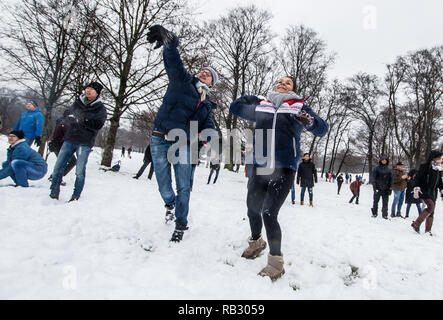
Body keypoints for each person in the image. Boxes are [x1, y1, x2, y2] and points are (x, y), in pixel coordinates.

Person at [230, 75, 328, 281]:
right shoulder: (262, 105)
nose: (282, 84)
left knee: (268, 213)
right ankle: (256, 242)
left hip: (284, 167)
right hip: (260, 165)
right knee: (252, 209)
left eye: (288, 83)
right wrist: (253, 97)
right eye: (280, 81)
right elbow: (235, 107)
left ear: (293, 89)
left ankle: (276, 263)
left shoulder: (298, 107)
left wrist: (309, 122)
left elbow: (322, 129)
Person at [147, 25, 219, 242]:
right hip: (159, 137)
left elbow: (210, 130)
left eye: (209, 75)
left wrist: (215, 155)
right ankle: (169, 203)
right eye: (203, 71)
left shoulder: (207, 105)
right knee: (164, 184)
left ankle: (181, 222)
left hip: (183, 145)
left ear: (211, 84)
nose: (204, 73)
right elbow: (173, 60)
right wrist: (170, 42)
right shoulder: (182, 80)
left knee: (184, 186)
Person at [49, 82, 107, 202]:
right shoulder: (77, 102)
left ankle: (76, 195)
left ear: (97, 93)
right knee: (58, 167)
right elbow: (67, 113)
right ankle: (54, 193)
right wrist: (67, 118)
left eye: (92, 89)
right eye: (87, 88)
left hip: (84, 142)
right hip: (70, 138)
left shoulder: (100, 108)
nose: (88, 90)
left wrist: (83, 120)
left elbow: (98, 124)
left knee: (79, 171)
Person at [411, 150, 443, 236]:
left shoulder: (439, 169)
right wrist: (416, 187)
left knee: (432, 211)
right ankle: (416, 223)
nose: (441, 159)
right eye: (440, 158)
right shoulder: (425, 167)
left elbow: (440, 181)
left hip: (433, 192)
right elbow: (417, 178)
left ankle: (428, 230)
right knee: (431, 206)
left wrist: (442, 189)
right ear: (434, 158)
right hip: (424, 190)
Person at [47, 110, 77, 185]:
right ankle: (56, 177)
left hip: (57, 144)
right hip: (61, 145)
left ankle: (55, 176)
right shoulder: (67, 123)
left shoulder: (61, 121)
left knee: (63, 162)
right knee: (70, 161)